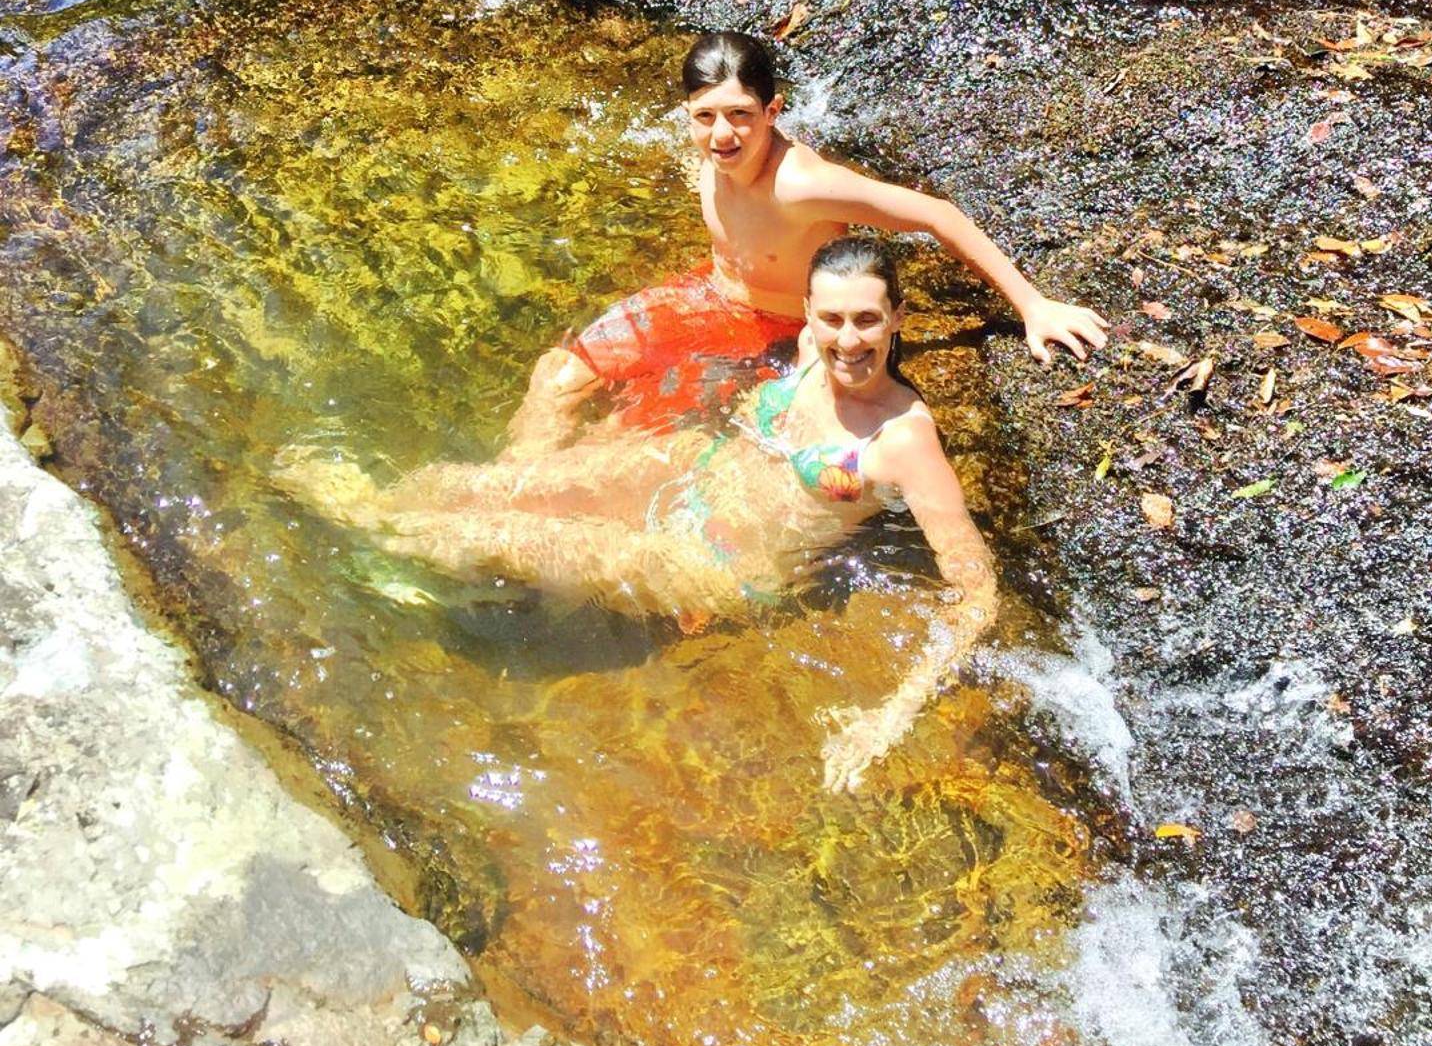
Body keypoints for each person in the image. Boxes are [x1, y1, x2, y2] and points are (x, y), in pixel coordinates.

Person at [275, 237, 999, 793]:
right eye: (833, 317)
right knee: (464, 487)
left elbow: (976, 595)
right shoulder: (810, 348)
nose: (848, 340)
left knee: (481, 533)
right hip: (683, 474)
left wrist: (887, 719)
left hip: (714, 566)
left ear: (898, 317)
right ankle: (390, 534)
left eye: (868, 321)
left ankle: (342, 515)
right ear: (808, 314)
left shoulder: (902, 441)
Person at [504, 29, 1107, 456]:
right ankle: (514, 483)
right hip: (708, 299)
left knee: (647, 436)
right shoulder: (706, 160)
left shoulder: (803, 185)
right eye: (705, 116)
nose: (722, 135)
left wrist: (1032, 305)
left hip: (782, 332)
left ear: (772, 111)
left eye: (740, 114)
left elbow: (938, 215)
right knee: (557, 375)